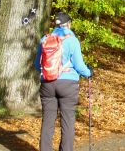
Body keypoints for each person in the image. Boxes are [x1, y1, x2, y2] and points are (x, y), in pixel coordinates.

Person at [35, 11, 92, 151]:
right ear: (69, 24)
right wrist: (89, 72)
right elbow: (79, 65)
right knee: (67, 121)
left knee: (48, 121)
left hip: (47, 84)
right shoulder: (72, 40)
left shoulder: (44, 39)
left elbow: (37, 65)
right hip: (68, 85)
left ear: (55, 24)